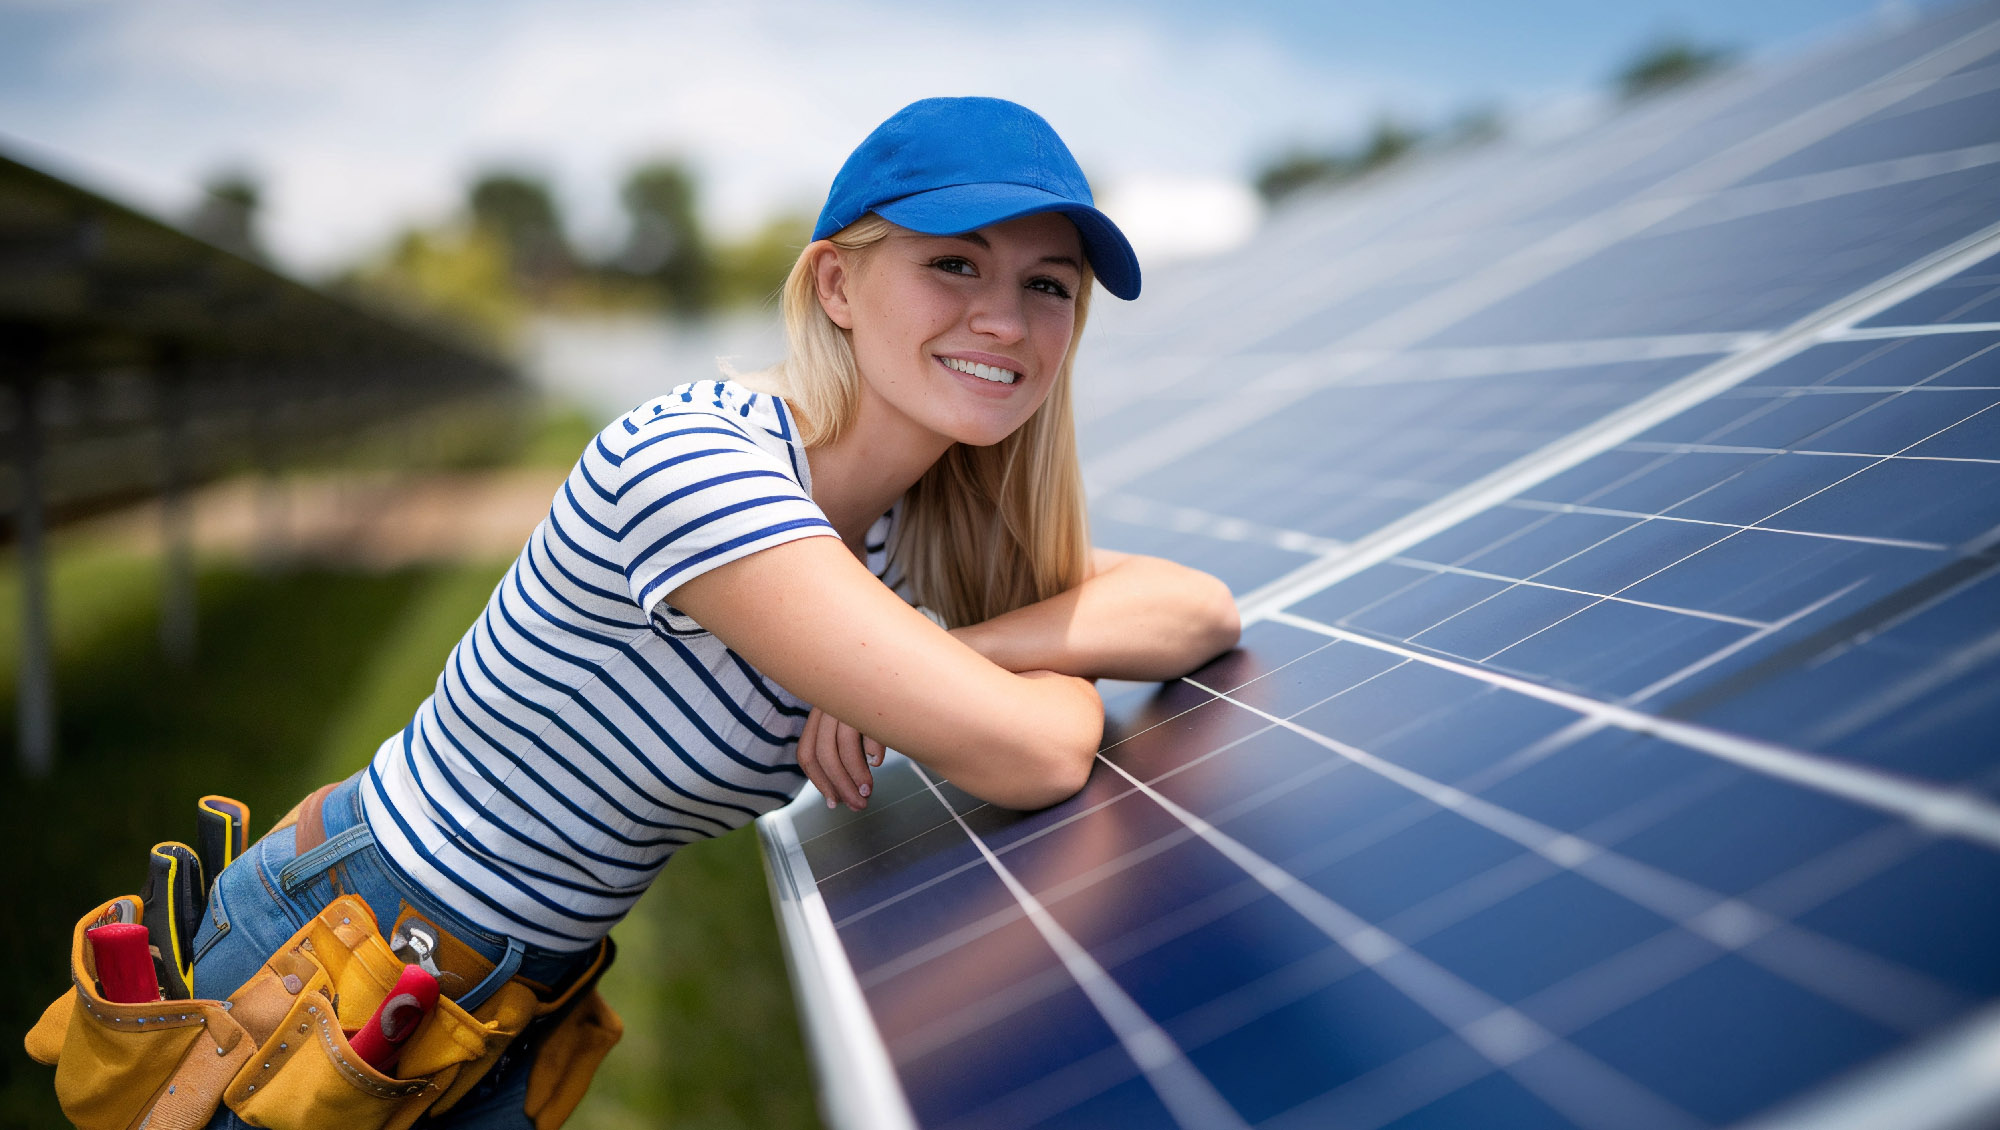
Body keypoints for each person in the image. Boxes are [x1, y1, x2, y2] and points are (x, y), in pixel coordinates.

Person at [181, 95, 1238, 1128]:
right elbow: (1038, 751)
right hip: (351, 949)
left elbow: (1194, 607)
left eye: (1047, 285)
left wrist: (956, 644)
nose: (1004, 319)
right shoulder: (701, 468)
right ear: (835, 282)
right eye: (952, 263)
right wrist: (986, 670)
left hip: (503, 982)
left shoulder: (909, 528)